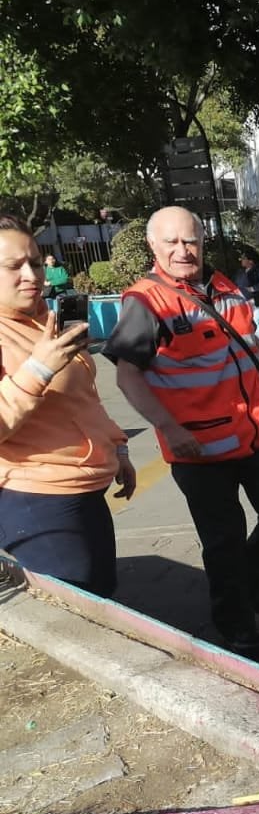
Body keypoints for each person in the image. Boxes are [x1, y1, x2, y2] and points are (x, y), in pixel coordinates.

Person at [104, 206, 259, 657]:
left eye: (191, 240)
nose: (183, 250)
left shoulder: (223, 286)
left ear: (202, 241)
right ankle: (235, 624)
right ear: (154, 246)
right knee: (224, 542)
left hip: (257, 433)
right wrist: (168, 427)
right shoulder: (145, 301)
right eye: (172, 242)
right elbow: (128, 376)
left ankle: (252, 583)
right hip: (198, 446)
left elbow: (251, 344)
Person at [0, 216, 135, 595]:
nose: (32, 275)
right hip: (36, 500)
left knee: (105, 597)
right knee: (82, 614)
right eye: (13, 267)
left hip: (86, 490)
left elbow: (83, 398)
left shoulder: (45, 319)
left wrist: (117, 445)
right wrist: (39, 369)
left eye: (37, 262)